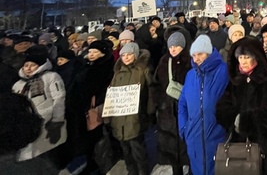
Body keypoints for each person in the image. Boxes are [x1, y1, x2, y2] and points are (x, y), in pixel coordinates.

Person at [216, 37, 267, 175]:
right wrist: (233, 119)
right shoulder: (235, 79)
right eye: (240, 57)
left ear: (256, 57)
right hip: (238, 143)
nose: (243, 61)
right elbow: (222, 107)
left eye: (247, 57)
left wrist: (244, 121)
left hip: (265, 144)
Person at [178, 35, 229, 175]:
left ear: (209, 53)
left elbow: (233, 101)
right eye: (193, 55)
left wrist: (226, 126)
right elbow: (182, 103)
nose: (196, 59)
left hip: (218, 135)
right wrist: (184, 128)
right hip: (193, 136)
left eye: (200, 54)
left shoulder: (224, 71)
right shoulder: (190, 75)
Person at [66, 40, 114, 174]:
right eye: (90, 51)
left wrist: (96, 100)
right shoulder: (85, 65)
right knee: (86, 137)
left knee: (97, 137)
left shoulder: (106, 67)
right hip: (81, 107)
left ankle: (98, 163)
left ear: (103, 54)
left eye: (95, 52)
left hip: (95, 107)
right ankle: (90, 161)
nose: (91, 54)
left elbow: (106, 88)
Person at [106, 42, 154, 175]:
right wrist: (108, 115)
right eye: (123, 55)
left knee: (138, 149)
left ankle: (143, 171)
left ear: (136, 55)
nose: (126, 58)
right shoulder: (117, 72)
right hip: (119, 118)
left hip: (135, 117)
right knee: (125, 150)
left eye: (129, 55)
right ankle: (131, 171)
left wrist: (149, 111)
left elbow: (151, 91)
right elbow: (112, 94)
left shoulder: (142, 70)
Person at [12, 48, 66, 163]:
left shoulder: (51, 77)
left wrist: (57, 120)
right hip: (27, 123)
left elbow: (59, 98)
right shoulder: (19, 84)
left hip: (46, 121)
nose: (29, 68)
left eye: (33, 65)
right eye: (26, 65)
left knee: (45, 153)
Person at [153, 30, 192, 175]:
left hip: (186, 108)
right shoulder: (164, 61)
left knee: (187, 144)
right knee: (171, 147)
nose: (173, 49)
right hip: (167, 109)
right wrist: (159, 102)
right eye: (171, 46)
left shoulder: (190, 60)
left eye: (176, 46)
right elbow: (155, 84)